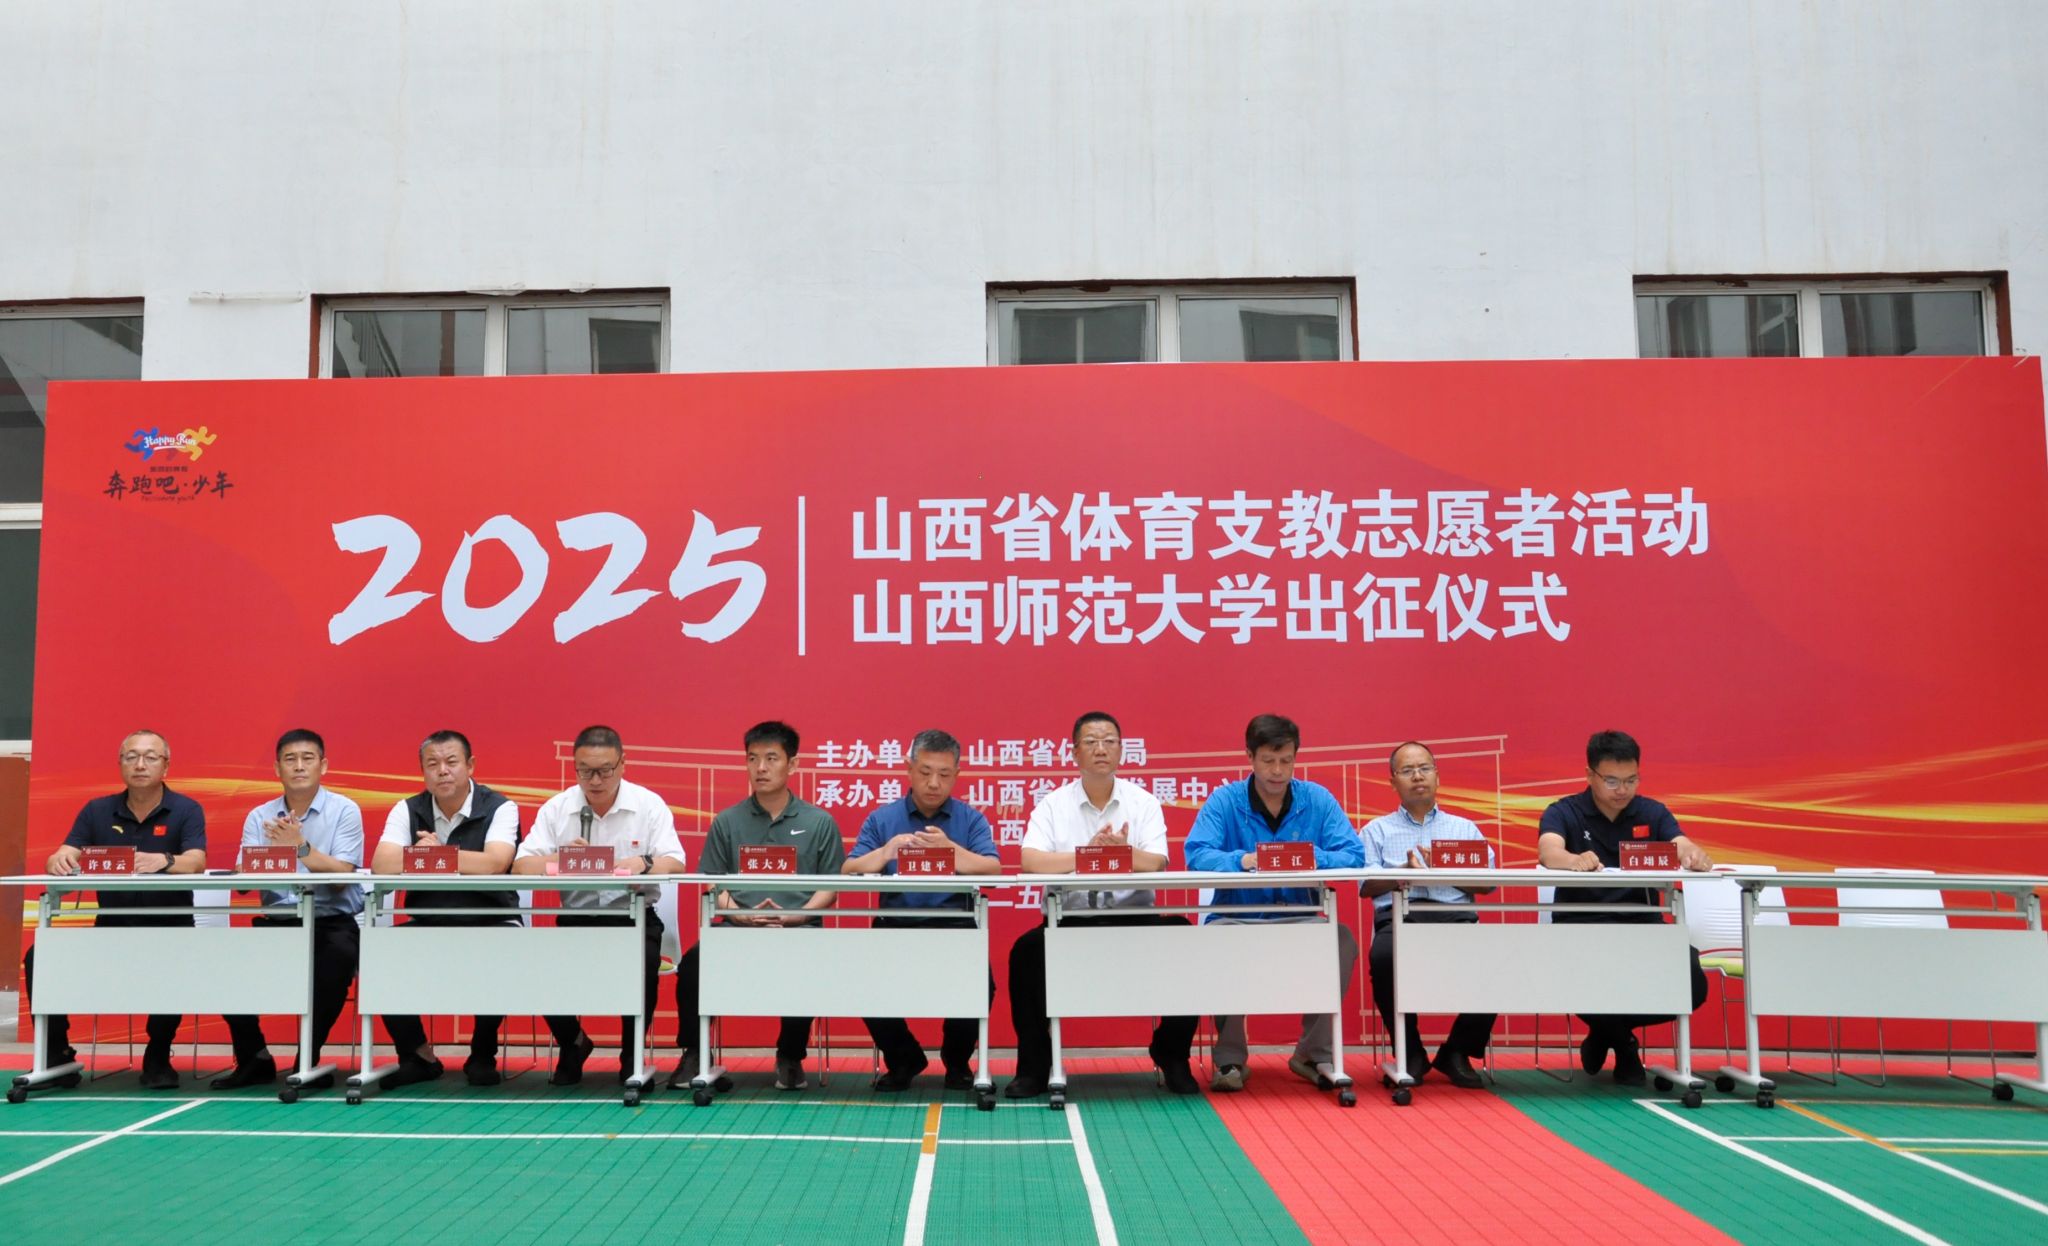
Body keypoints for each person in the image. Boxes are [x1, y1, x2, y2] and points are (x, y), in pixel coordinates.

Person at [1005, 711, 1200, 1098]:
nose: (1101, 749)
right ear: (1074, 752)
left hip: (1135, 921)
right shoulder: (1053, 805)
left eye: (1109, 741)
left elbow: (1157, 862)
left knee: (1182, 934)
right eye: (1091, 742)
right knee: (1026, 951)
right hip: (1070, 922)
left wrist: (1122, 853)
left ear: (1121, 751)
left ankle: (1172, 1052)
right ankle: (1035, 1066)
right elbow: (1031, 860)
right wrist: (1087, 855)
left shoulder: (1143, 803)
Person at [1183, 713, 1363, 1092]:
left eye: (1286, 760)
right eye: (1268, 760)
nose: (1278, 771)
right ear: (1249, 756)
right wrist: (1243, 861)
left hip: (1299, 917)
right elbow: (1197, 853)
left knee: (1341, 941)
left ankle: (1312, 1053)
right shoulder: (1225, 801)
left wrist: (1310, 857)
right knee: (1217, 941)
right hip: (1237, 917)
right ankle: (1230, 1057)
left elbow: (1353, 854)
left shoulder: (1317, 799)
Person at [22, 730, 206, 1090]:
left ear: (166, 765)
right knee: (39, 956)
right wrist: (59, 860)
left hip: (170, 931)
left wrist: (164, 860)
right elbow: (64, 852)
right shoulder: (97, 810)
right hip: (110, 931)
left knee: (176, 960)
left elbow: (196, 862)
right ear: (120, 764)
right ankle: (57, 1054)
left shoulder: (187, 809)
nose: (140, 764)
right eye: (131, 756)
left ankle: (158, 1053)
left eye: (150, 757)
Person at [667, 721, 845, 1092]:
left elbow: (831, 886)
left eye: (771, 758)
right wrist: (740, 913)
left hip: (798, 929)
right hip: (736, 928)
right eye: (752, 759)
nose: (760, 768)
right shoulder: (728, 821)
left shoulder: (819, 822)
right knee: (694, 962)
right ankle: (696, 1052)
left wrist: (795, 916)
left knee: (810, 958)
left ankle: (790, 1055)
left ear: (792, 765)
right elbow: (711, 883)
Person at [1537, 729, 1713, 1086]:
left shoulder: (1651, 812)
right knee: (1576, 974)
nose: (1623, 790)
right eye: (1613, 781)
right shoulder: (1564, 811)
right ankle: (1624, 1044)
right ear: (1590, 775)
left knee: (1692, 982)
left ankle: (1607, 1032)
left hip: (1642, 927)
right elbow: (1548, 851)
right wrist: (1572, 860)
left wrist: (1693, 854)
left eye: (1631, 780)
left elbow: (1680, 844)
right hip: (1580, 928)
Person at [514, 725, 685, 1086]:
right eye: (585, 771)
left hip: (633, 918)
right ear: (574, 767)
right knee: (532, 963)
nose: (595, 780)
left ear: (623, 764)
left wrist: (643, 863)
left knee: (643, 962)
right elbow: (520, 866)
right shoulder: (558, 808)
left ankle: (631, 1054)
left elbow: (676, 862)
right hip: (577, 919)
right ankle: (573, 1042)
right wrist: (562, 858)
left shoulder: (647, 805)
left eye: (605, 770)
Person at [844, 729, 1001, 1091]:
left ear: (956, 774)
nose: (933, 783)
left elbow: (992, 871)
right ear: (909, 769)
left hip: (956, 928)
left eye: (944, 774)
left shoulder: (970, 820)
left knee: (981, 984)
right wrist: (885, 853)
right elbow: (849, 870)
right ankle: (904, 1059)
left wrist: (949, 851)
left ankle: (957, 1061)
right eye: (925, 772)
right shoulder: (883, 819)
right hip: (896, 926)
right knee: (862, 981)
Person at [215, 729, 366, 1091]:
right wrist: (262, 858)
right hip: (278, 924)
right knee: (223, 967)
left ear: (323, 766)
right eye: (290, 759)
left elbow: (342, 877)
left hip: (331, 923)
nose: (299, 766)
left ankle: (307, 1058)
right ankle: (254, 1058)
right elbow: (243, 881)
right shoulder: (260, 816)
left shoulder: (345, 810)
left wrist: (299, 847)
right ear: (277, 769)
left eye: (307, 758)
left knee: (335, 964)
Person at [369, 729, 519, 1087]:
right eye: (432, 764)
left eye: (452, 762)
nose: (443, 771)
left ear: (470, 765)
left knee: (502, 951)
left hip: (492, 920)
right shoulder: (408, 809)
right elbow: (381, 864)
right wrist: (441, 858)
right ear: (423, 771)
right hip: (430, 920)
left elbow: (495, 863)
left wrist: (435, 856)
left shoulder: (500, 807)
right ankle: (417, 1054)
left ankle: (482, 1053)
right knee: (377, 952)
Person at [1359, 741, 1496, 1090]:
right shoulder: (1376, 830)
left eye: (1424, 769)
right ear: (1393, 782)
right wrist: (1405, 872)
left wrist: (1446, 870)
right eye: (1407, 771)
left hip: (1456, 918)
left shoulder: (1465, 829)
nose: (1417, 777)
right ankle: (1411, 1052)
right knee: (1383, 957)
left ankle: (1457, 1051)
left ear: (1437, 776)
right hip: (1400, 917)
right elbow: (1365, 885)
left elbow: (1489, 883)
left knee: (1499, 959)